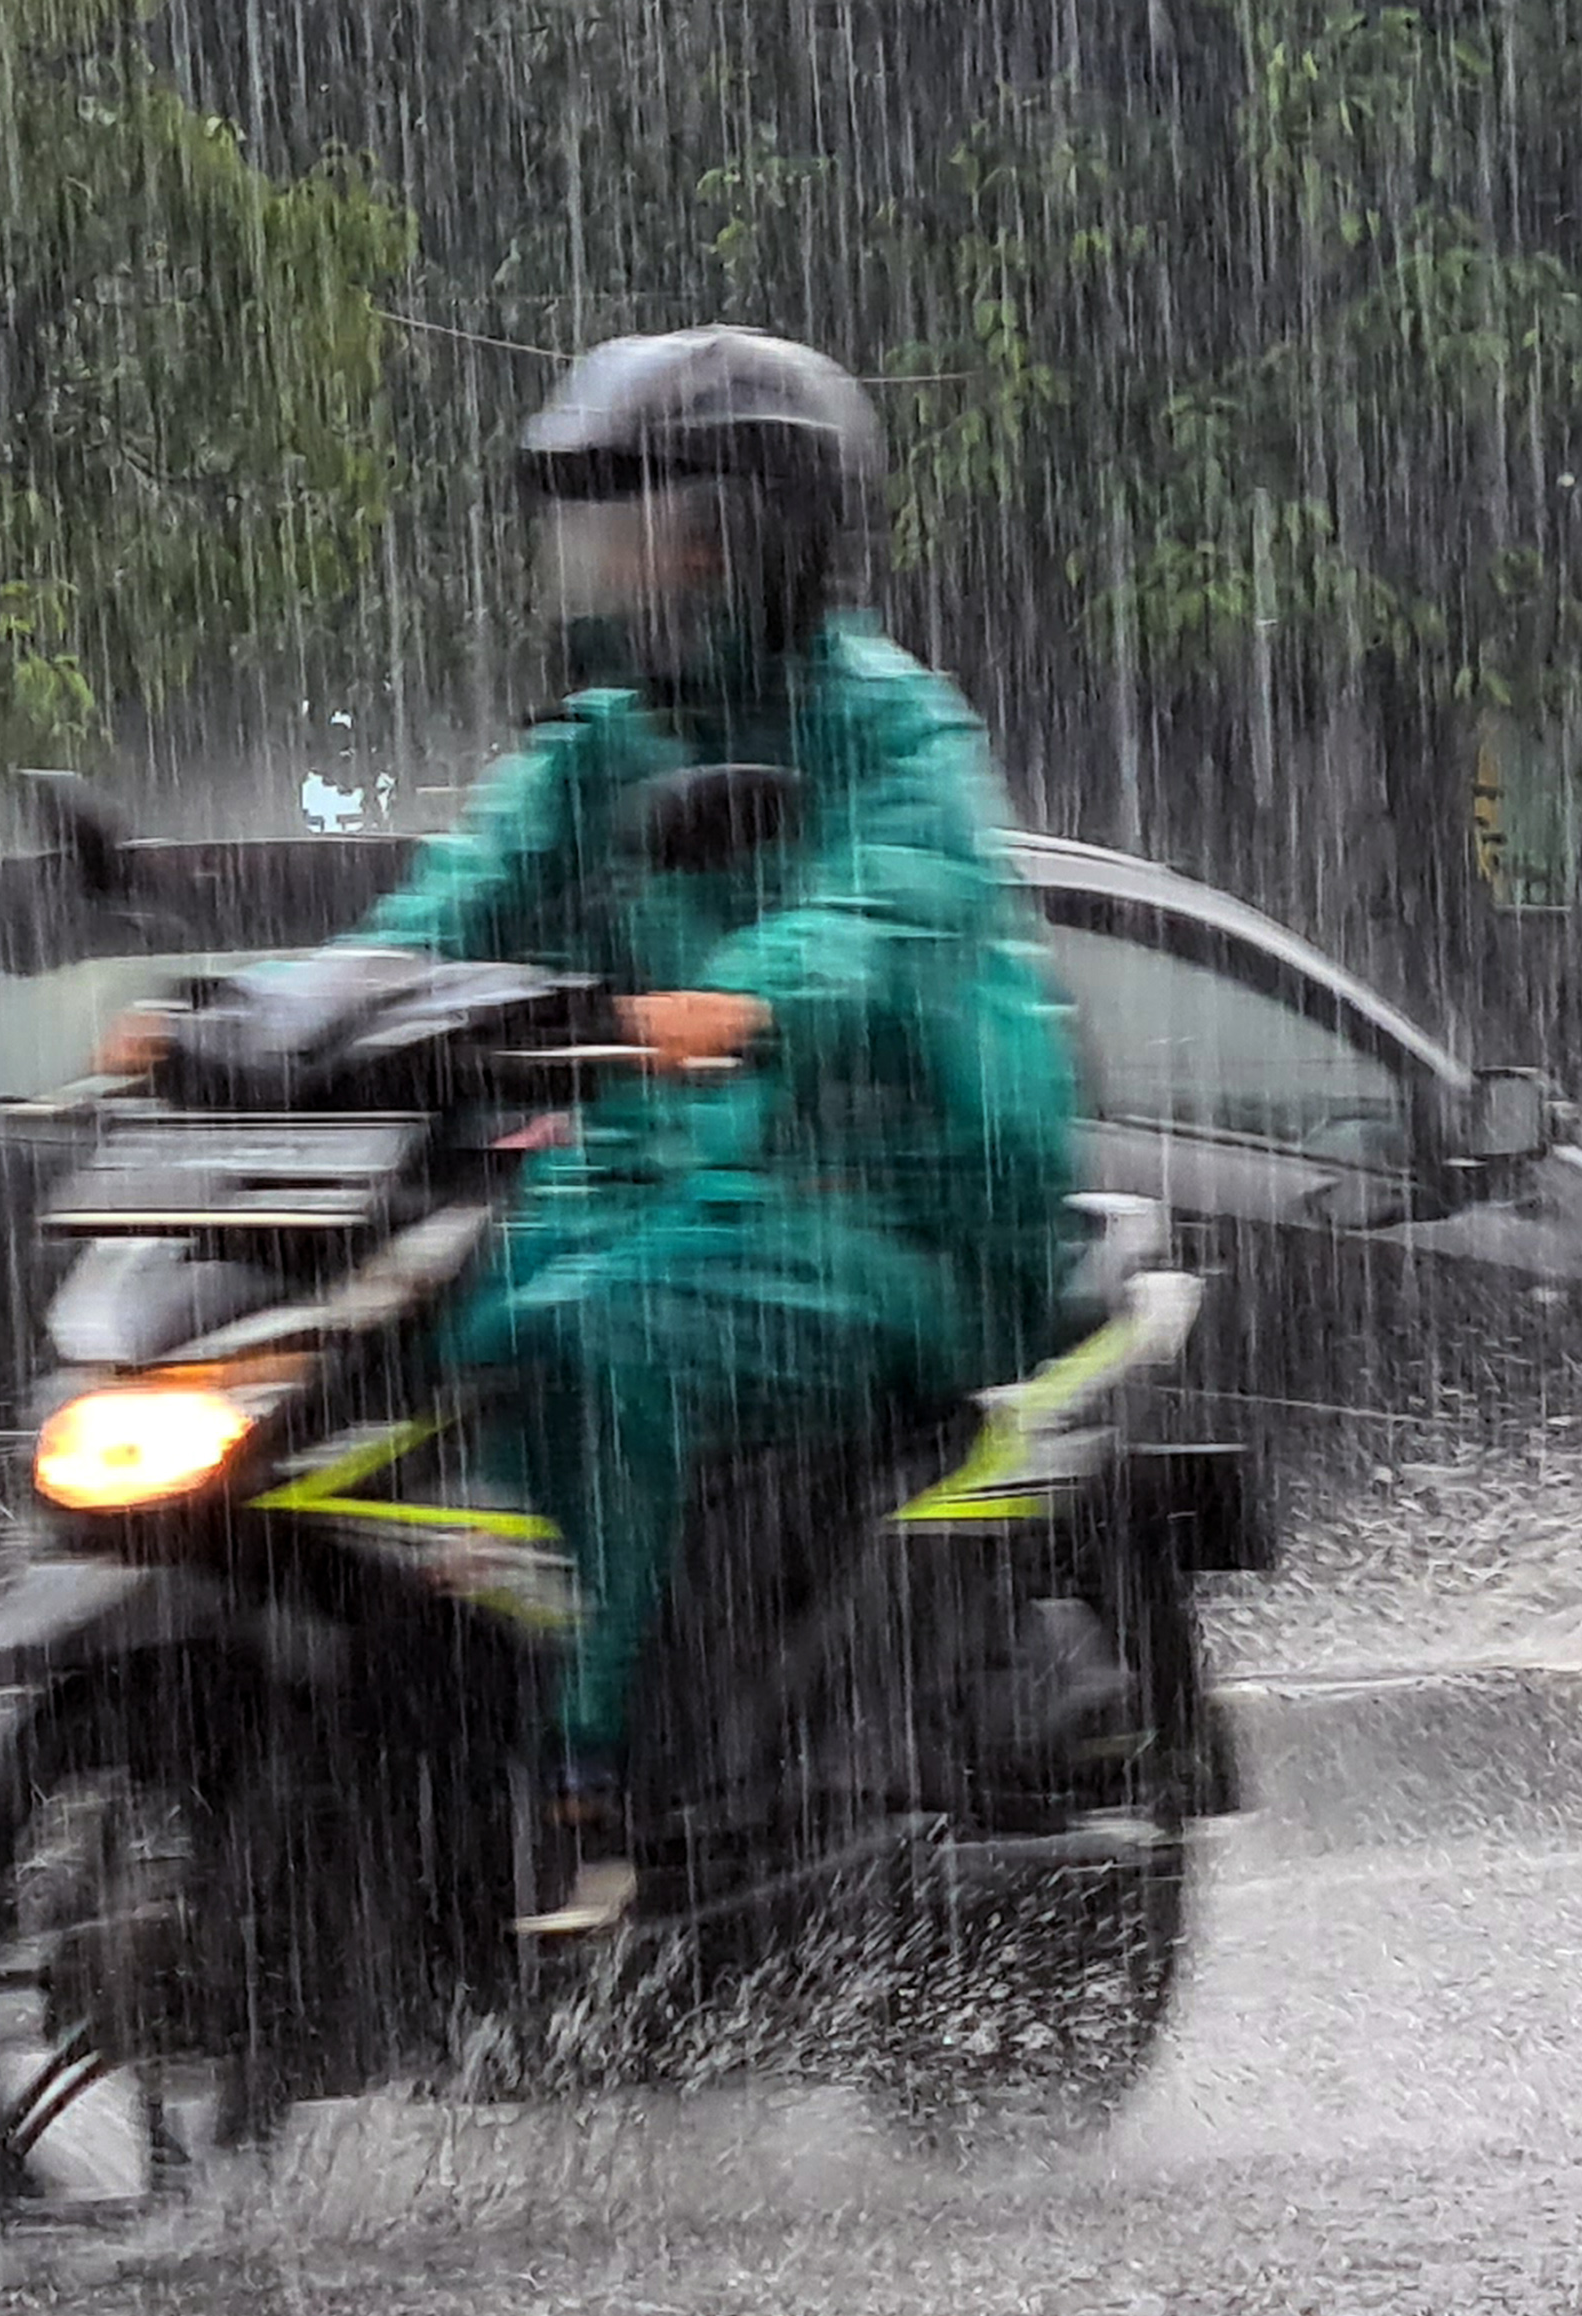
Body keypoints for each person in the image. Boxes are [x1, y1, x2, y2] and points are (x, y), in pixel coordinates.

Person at [345, 325, 1081, 1934]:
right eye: (605, 532)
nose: (624, 569)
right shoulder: (606, 741)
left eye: (664, 530)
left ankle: (607, 1769)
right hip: (687, 1187)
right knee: (435, 1318)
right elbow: (447, 909)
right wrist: (260, 1016)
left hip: (907, 1207)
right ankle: (489, 1692)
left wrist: (744, 997)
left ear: (771, 541)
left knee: (600, 1335)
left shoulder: (893, 729)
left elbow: (884, 904)